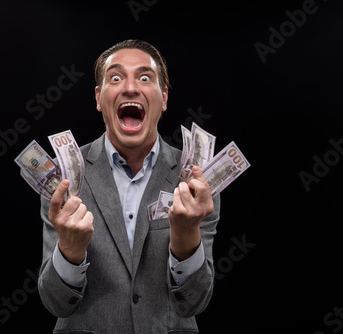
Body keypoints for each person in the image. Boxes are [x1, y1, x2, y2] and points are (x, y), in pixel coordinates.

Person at [38, 39, 221, 334]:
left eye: (145, 77)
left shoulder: (197, 182)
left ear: (163, 99)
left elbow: (194, 304)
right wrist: (69, 252)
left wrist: (187, 237)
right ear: (99, 98)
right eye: (115, 77)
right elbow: (56, 304)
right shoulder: (63, 179)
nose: (131, 88)